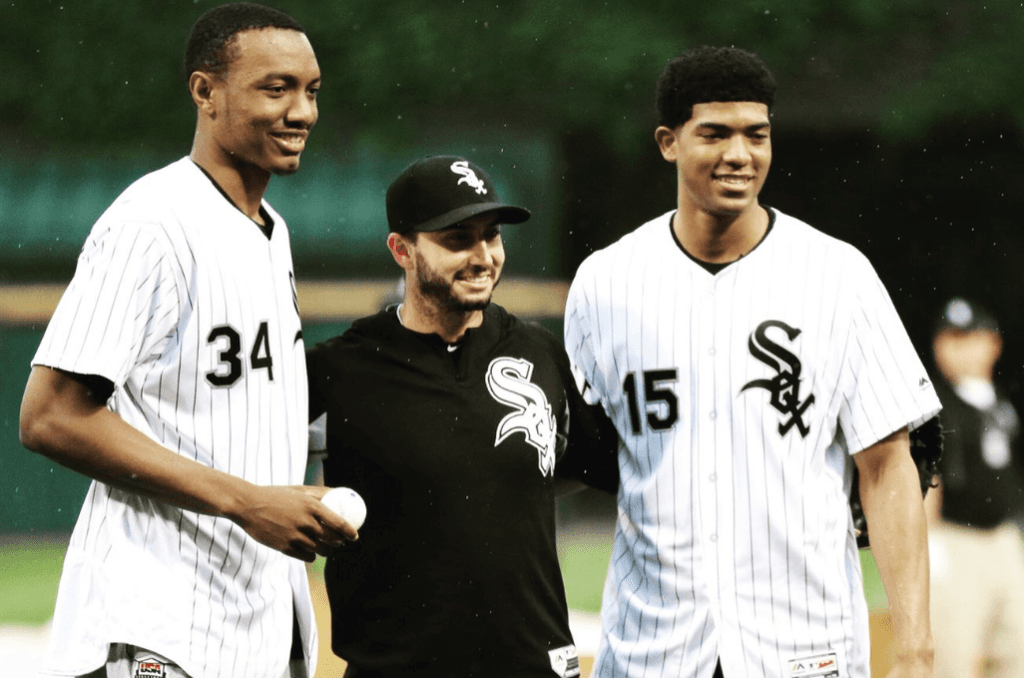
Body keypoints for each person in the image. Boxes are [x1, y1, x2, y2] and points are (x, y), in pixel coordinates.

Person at [563, 45, 942, 678]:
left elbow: (886, 465)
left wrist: (916, 649)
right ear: (668, 142)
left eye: (756, 135)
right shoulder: (604, 283)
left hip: (801, 646)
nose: (739, 154)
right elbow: (576, 456)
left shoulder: (836, 275)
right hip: (652, 649)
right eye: (714, 133)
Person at [18, 4, 354, 677]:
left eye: (311, 89)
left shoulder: (273, 231)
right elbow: (49, 415)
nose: (302, 111)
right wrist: (248, 500)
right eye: (275, 87)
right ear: (206, 91)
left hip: (252, 621)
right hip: (157, 623)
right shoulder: (152, 223)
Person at [305, 155, 620, 678]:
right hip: (398, 668)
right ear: (401, 249)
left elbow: (593, 466)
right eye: (457, 239)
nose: (482, 256)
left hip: (532, 665)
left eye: (491, 235)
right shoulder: (340, 369)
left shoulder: (538, 351)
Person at [926, 297, 1024, 678]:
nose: (959, 348)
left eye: (969, 337)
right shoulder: (934, 405)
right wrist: (930, 543)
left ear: (992, 343)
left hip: (1002, 538)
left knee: (1016, 651)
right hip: (955, 541)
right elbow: (927, 478)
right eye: (950, 339)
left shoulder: (1000, 401)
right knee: (953, 657)